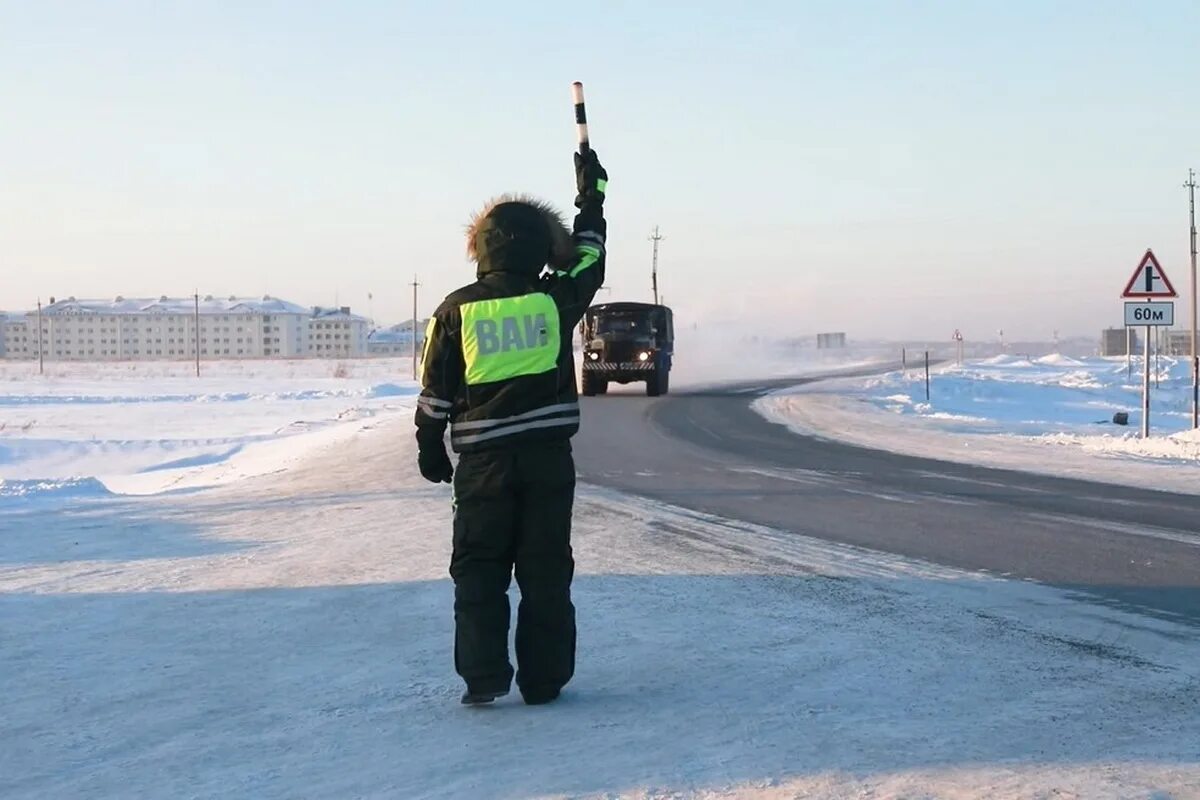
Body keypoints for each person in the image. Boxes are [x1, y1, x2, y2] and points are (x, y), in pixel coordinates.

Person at [415, 149, 608, 706]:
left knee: (479, 569)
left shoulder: (455, 310)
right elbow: (589, 259)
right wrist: (590, 200)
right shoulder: (553, 298)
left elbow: (435, 391)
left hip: (482, 467)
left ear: (481, 249)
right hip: (548, 460)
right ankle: (543, 681)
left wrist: (430, 445)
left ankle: (482, 678)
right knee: (546, 571)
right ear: (539, 250)